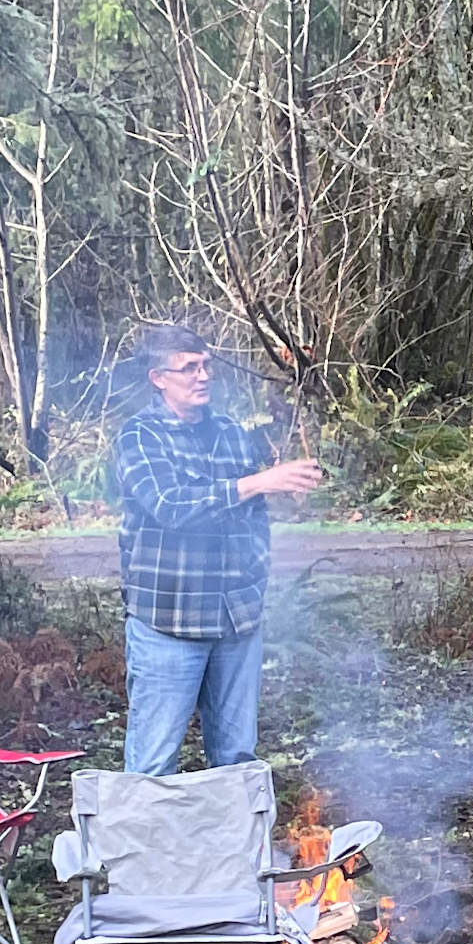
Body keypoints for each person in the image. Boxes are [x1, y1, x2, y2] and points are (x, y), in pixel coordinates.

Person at [108, 323, 323, 774]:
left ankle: (234, 826)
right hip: (169, 622)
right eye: (189, 368)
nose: (203, 376)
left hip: (236, 622)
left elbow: (252, 518)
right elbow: (169, 506)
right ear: (158, 378)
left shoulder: (230, 432)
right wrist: (257, 482)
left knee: (237, 760)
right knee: (153, 764)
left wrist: (256, 582)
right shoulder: (140, 436)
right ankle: (145, 826)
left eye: (206, 365)